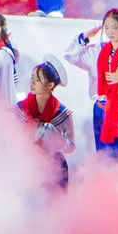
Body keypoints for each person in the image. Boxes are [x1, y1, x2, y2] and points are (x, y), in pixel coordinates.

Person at [68, 7, 118, 159]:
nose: (110, 32)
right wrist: (84, 37)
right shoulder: (97, 50)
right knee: (104, 159)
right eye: (107, 27)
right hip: (102, 109)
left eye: (115, 27)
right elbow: (70, 55)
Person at [21, 59, 76, 189]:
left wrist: (51, 137)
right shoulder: (20, 109)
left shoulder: (63, 114)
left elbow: (71, 145)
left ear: (50, 85)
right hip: (26, 165)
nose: (32, 82)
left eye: (38, 80)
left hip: (55, 168)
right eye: (32, 77)